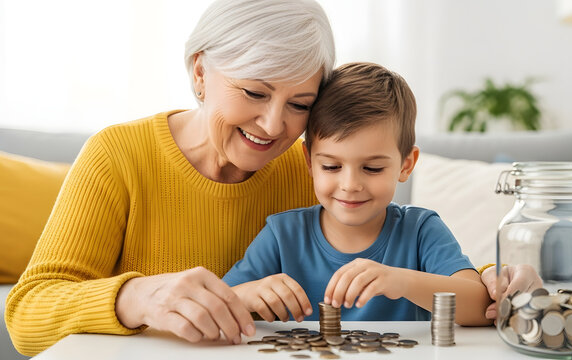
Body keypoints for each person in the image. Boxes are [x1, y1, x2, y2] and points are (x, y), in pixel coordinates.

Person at [5, 0, 335, 355]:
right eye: (255, 93)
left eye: (299, 105)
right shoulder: (118, 154)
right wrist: (136, 298)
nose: (273, 126)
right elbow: (26, 315)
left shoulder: (311, 172)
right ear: (200, 73)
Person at [222, 62, 493, 325]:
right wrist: (245, 296)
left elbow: (481, 307)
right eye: (331, 166)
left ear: (406, 164)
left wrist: (402, 282)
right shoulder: (283, 234)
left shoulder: (421, 230)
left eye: (372, 168)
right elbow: (219, 303)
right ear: (309, 162)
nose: (350, 184)